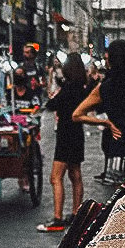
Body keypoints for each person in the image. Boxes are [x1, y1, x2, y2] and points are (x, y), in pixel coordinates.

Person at [74, 39, 125, 184]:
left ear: (110, 61)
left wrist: (106, 122)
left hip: (116, 150)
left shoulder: (103, 88)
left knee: (119, 203)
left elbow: (77, 115)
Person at [37, 52, 89, 233]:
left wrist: (54, 95)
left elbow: (51, 105)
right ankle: (77, 214)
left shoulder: (68, 88)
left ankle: (57, 218)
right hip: (77, 133)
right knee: (75, 174)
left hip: (65, 133)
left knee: (55, 177)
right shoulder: (81, 88)